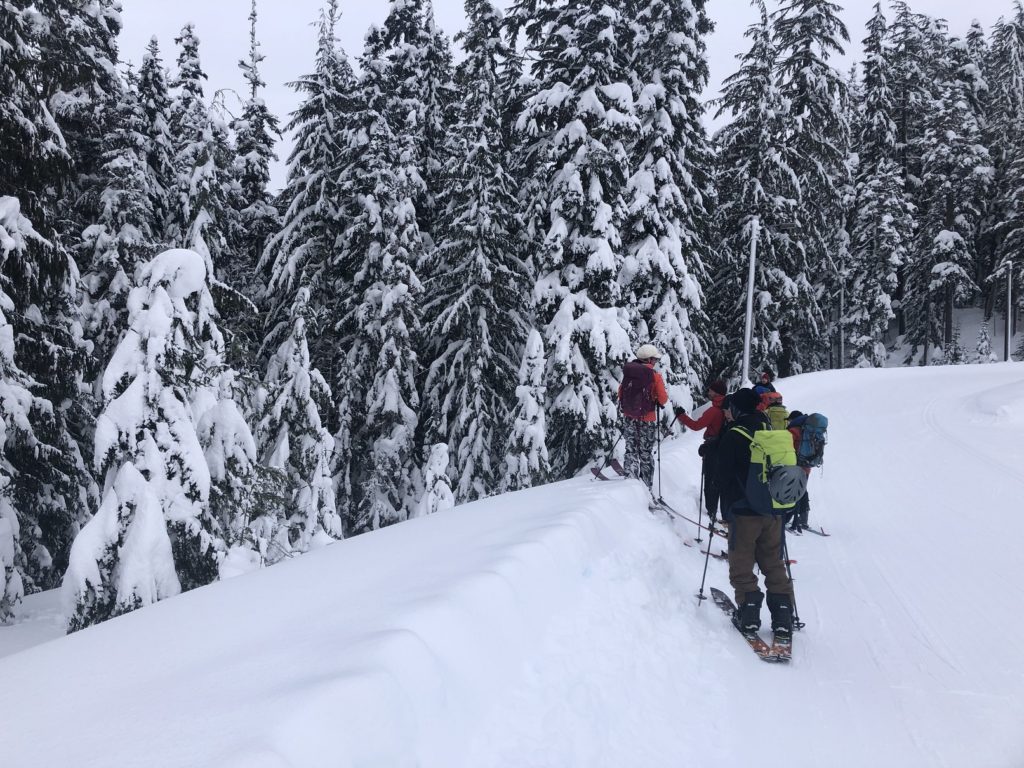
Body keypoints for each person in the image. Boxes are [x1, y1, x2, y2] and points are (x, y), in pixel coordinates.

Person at [715, 387, 794, 640]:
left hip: (744, 511)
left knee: (742, 564)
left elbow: (722, 476)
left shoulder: (734, 433)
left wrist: (724, 509)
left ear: (737, 408)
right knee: (773, 562)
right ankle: (783, 616)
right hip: (773, 511)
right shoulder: (771, 431)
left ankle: (749, 616)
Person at [673, 379, 728, 521]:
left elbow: (696, 425)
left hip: (712, 447)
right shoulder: (726, 407)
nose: (708, 392)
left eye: (710, 390)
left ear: (716, 393)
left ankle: (711, 511)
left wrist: (681, 416)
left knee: (710, 478)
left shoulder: (714, 410)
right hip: (724, 447)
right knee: (718, 478)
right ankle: (717, 510)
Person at [618, 344, 668, 488]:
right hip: (647, 419)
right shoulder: (654, 376)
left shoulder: (629, 373)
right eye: (655, 359)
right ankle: (646, 486)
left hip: (629, 417)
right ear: (649, 360)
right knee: (645, 452)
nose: (656, 362)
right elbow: (663, 399)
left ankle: (631, 482)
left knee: (631, 449)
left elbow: (620, 393)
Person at [786, 411, 812, 533]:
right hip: (807, 466)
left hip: (795, 465)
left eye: (789, 420)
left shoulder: (794, 430)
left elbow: (787, 446)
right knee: (802, 490)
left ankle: (791, 520)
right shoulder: (809, 430)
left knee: (793, 491)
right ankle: (803, 519)